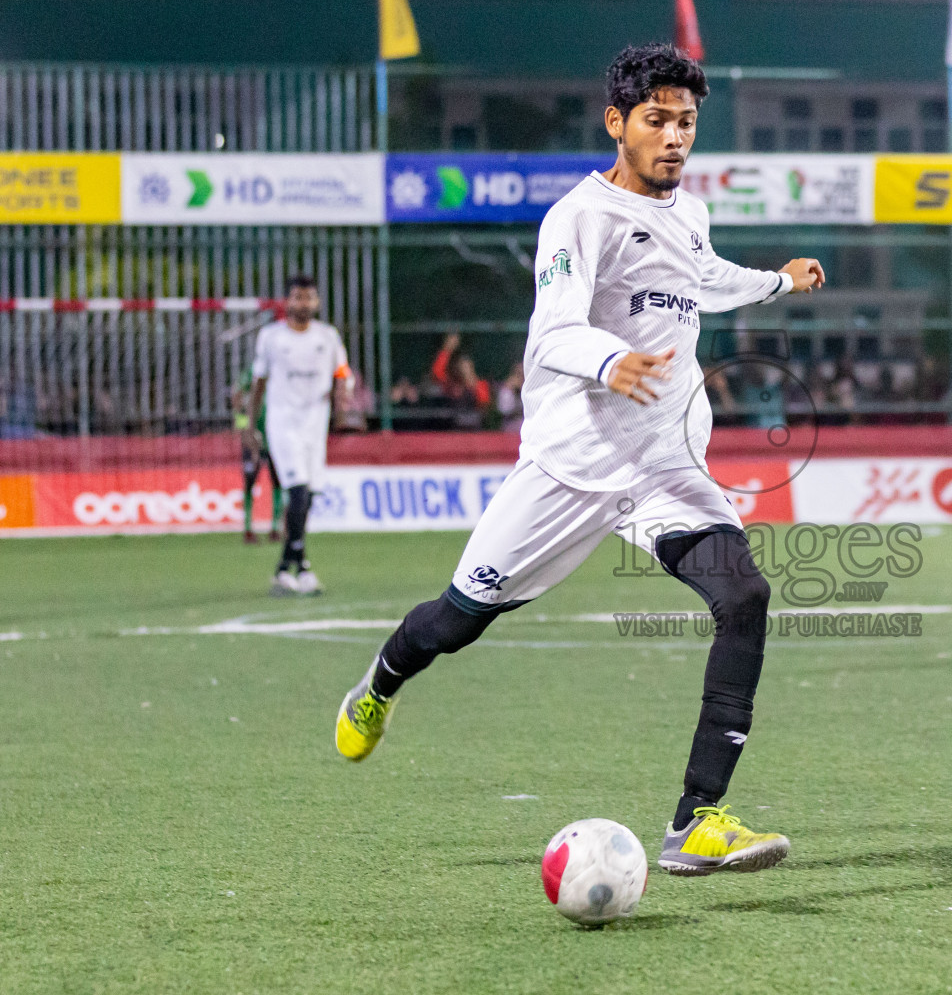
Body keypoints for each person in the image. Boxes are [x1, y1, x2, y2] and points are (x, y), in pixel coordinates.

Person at [333, 43, 825, 877]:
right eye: (657, 120)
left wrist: (776, 283)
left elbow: (702, 276)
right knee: (457, 618)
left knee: (744, 594)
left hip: (662, 469)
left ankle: (697, 820)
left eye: (687, 122)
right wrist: (610, 362)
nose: (674, 137)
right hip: (569, 470)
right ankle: (380, 682)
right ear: (617, 124)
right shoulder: (578, 218)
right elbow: (555, 330)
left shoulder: (690, 213)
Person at [247, 274, 353, 596]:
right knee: (297, 493)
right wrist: (251, 426)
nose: (303, 303)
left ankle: (285, 568)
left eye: (308, 298)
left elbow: (341, 375)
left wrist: (341, 407)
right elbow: (259, 383)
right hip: (283, 422)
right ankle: (302, 567)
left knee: (306, 498)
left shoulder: (328, 336)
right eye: (297, 297)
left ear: (317, 302)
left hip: (314, 426)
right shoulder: (271, 337)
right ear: (287, 302)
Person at [232, 365, 284, 544]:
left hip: (274, 439)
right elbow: (238, 402)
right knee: (250, 481)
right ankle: (247, 528)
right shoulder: (250, 374)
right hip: (252, 439)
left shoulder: (279, 374)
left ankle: (275, 528)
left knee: (277, 481)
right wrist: (243, 432)